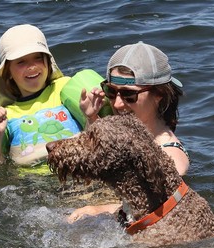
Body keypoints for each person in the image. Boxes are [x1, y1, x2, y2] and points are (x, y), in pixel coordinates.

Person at [68, 41, 190, 222]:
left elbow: (157, 209)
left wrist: (99, 209)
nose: (116, 104)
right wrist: (92, 118)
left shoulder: (170, 154)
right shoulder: (130, 138)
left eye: (129, 95)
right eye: (111, 92)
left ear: (159, 95)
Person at [0, 24, 81, 165]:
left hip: (78, 169)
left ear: (48, 61)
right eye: (21, 62)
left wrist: (91, 114)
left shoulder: (64, 89)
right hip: (31, 182)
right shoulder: (6, 116)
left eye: (38, 58)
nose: (32, 66)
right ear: (8, 72)